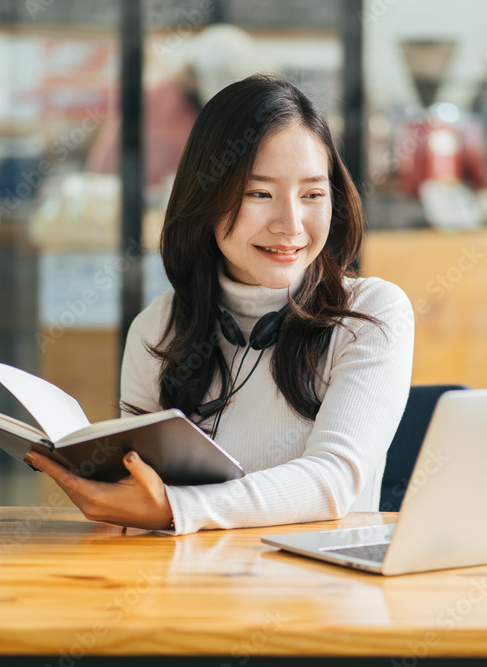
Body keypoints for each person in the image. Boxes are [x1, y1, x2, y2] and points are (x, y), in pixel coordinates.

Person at [25, 74, 415, 535]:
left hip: (321, 594)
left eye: (312, 194)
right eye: (259, 194)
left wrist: (176, 508)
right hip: (187, 592)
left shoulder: (370, 314)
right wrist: (108, 495)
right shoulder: (158, 329)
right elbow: (138, 497)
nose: (291, 225)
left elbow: (331, 482)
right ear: (207, 196)